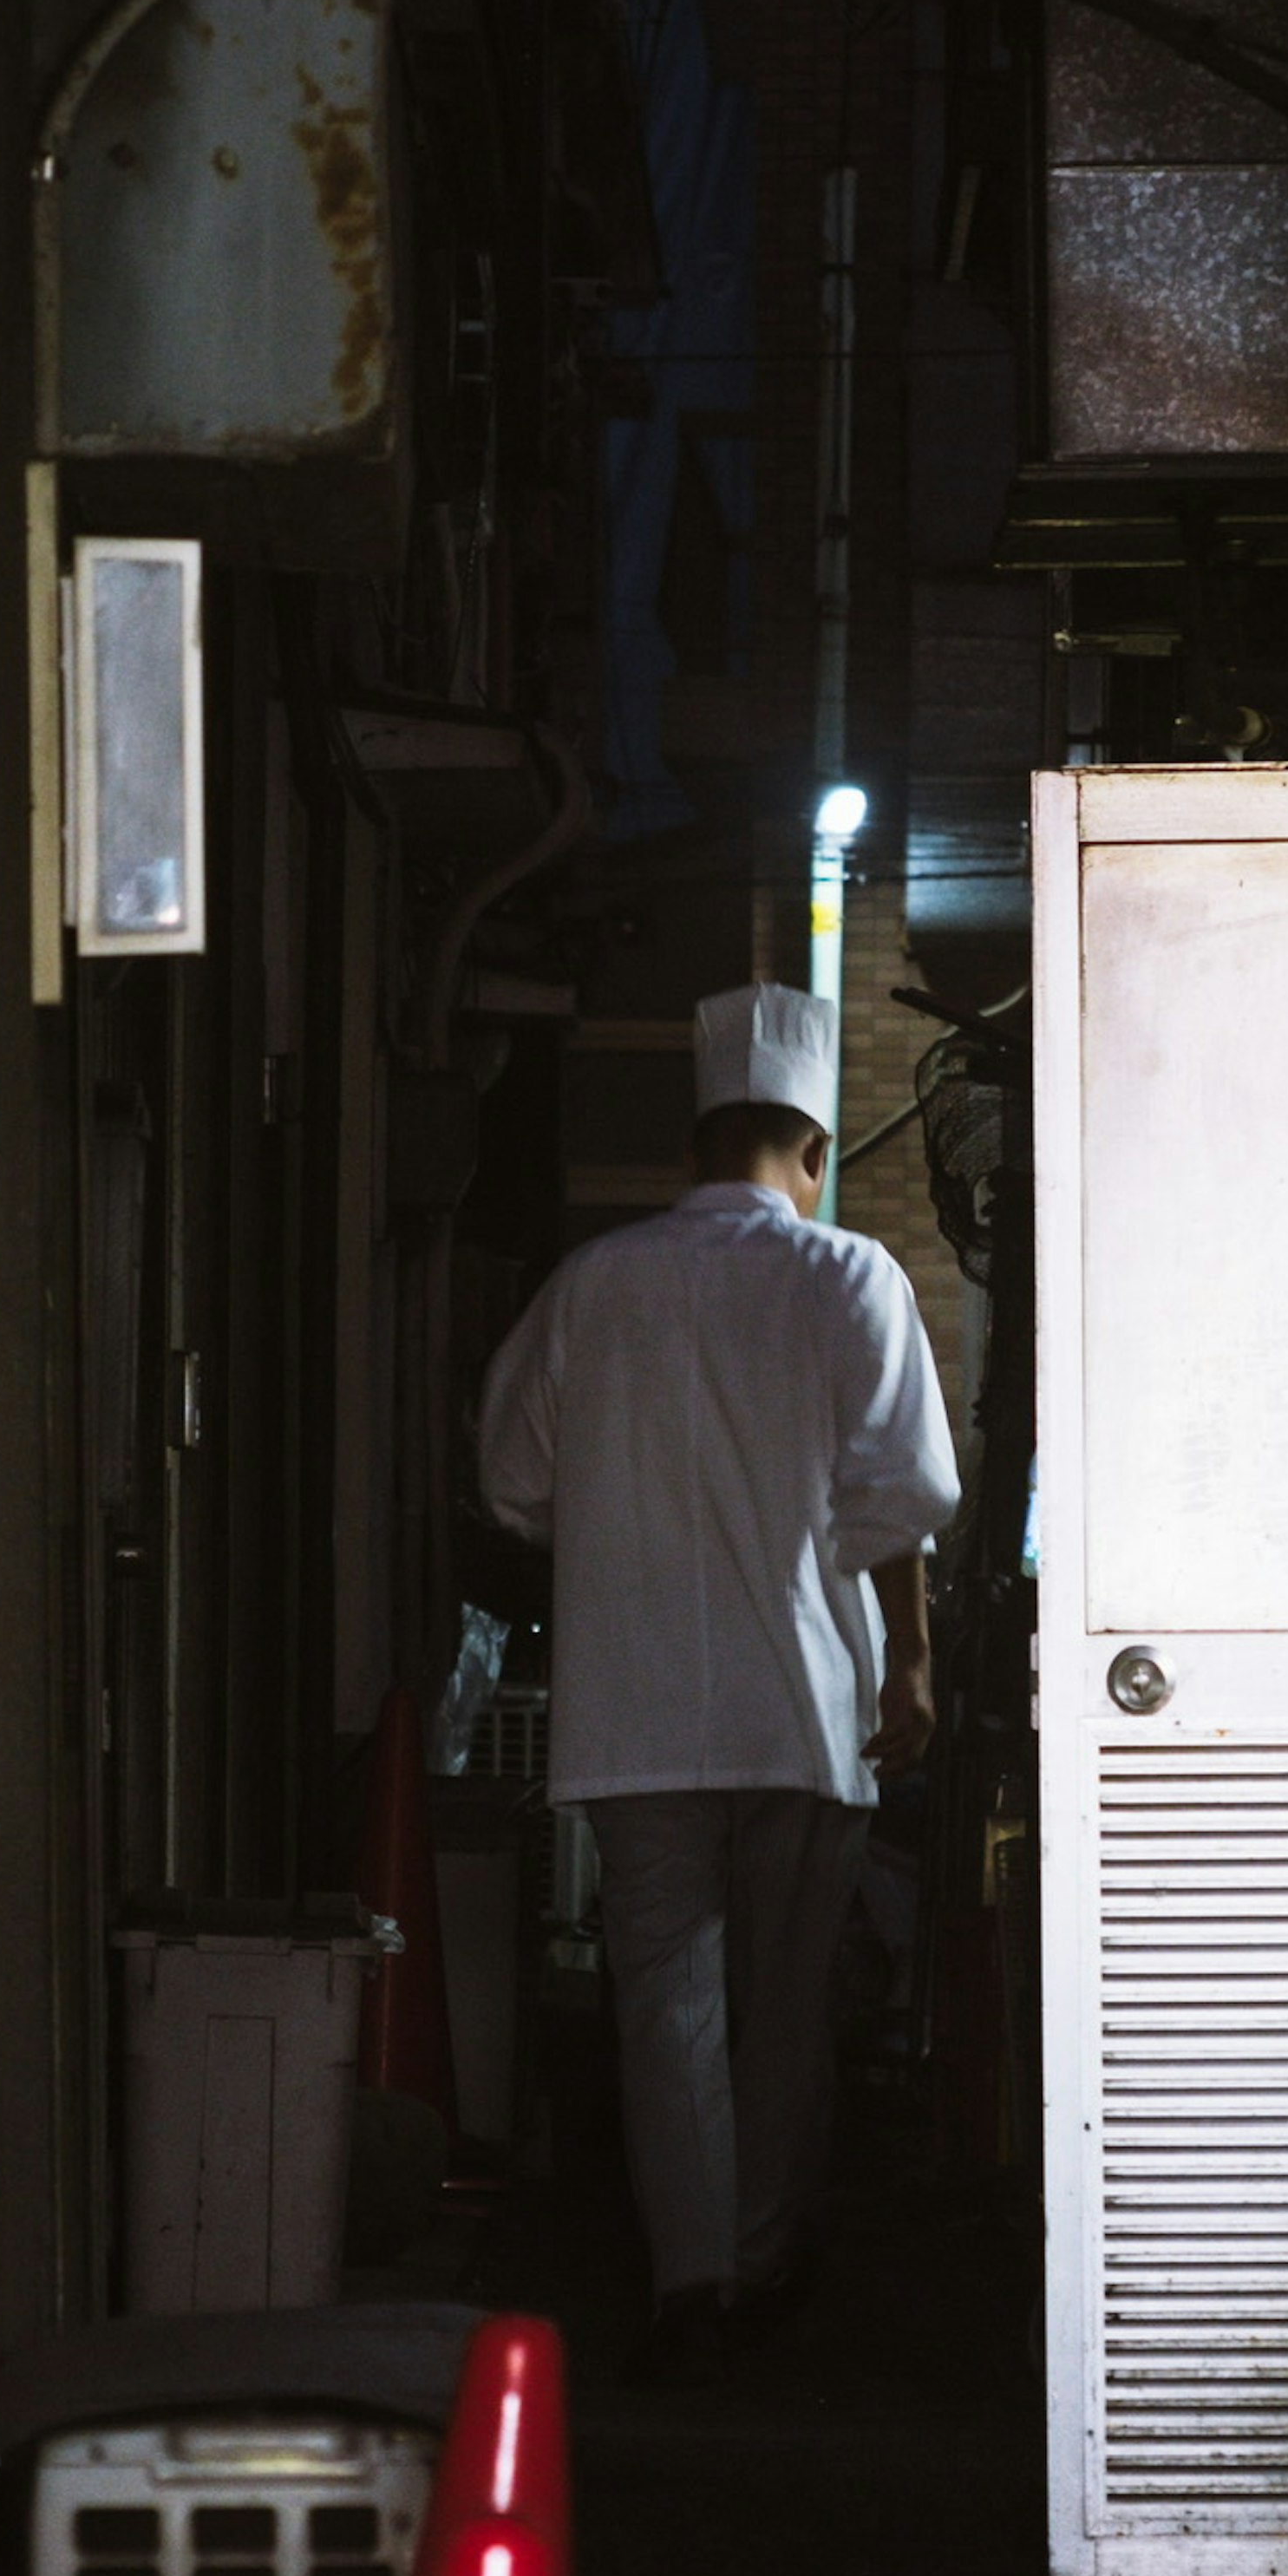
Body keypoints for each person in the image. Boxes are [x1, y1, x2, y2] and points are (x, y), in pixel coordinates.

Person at [479, 984, 962, 2368]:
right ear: (815, 1146)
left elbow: (510, 1482)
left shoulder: (593, 1284)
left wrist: (626, 1524)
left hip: (634, 1716)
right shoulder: (849, 1277)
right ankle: (764, 2256)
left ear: (698, 1139)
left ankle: (692, 2281)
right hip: (805, 1712)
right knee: (786, 2004)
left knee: (667, 2001)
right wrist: (913, 1666)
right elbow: (906, 1495)